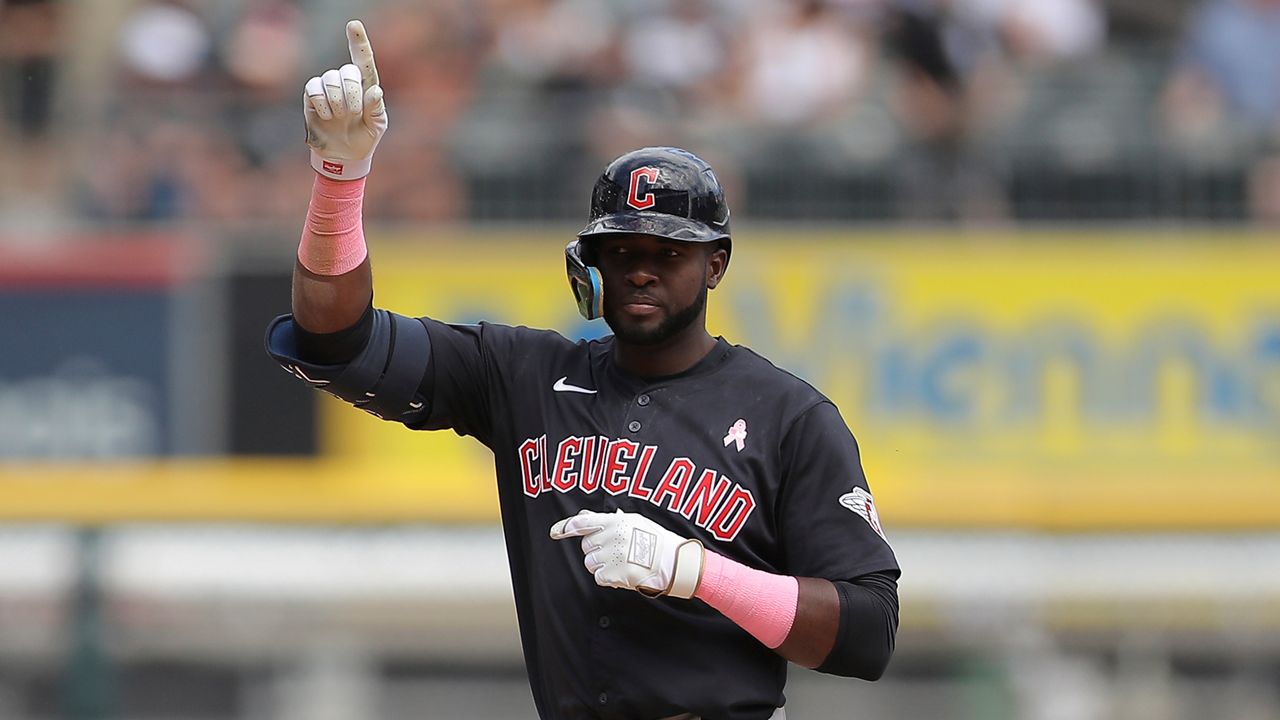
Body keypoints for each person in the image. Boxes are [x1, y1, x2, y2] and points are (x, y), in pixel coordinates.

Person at [266, 20, 900, 720]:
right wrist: (339, 181)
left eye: (668, 251)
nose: (641, 270)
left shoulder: (790, 416)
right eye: (622, 251)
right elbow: (336, 343)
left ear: (715, 264)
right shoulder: (522, 373)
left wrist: (697, 573)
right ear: (588, 265)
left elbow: (868, 634)